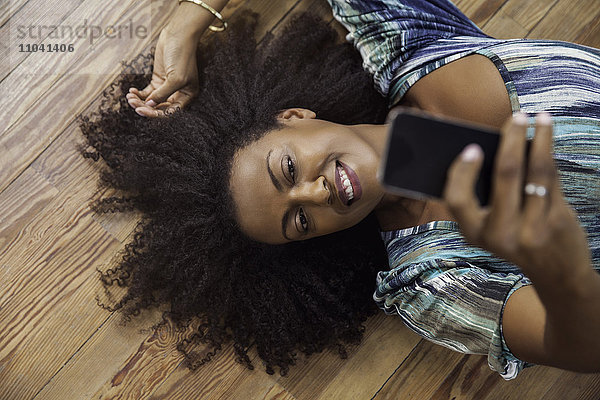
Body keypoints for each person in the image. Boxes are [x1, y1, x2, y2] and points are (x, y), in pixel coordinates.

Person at [80, 0, 600, 379]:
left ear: (296, 117)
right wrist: (559, 264)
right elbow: (581, 347)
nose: (312, 195)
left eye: (287, 169)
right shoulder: (432, 280)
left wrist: (185, 25)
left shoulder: (408, 42)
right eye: (299, 222)